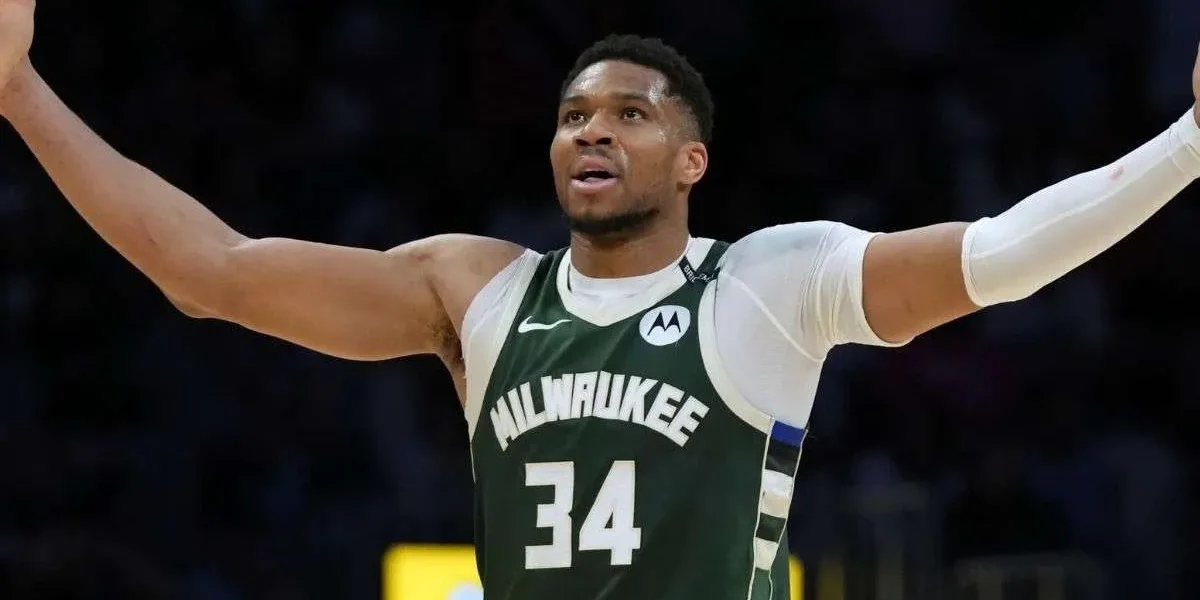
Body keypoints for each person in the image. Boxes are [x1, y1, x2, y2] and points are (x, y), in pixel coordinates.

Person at [1, 2, 1198, 598]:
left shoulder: (767, 284)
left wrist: (1190, 142)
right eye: (575, 114)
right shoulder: (474, 290)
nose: (592, 130)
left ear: (692, 161)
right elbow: (211, 272)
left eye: (631, 113)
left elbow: (1003, 254)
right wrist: (17, 90)